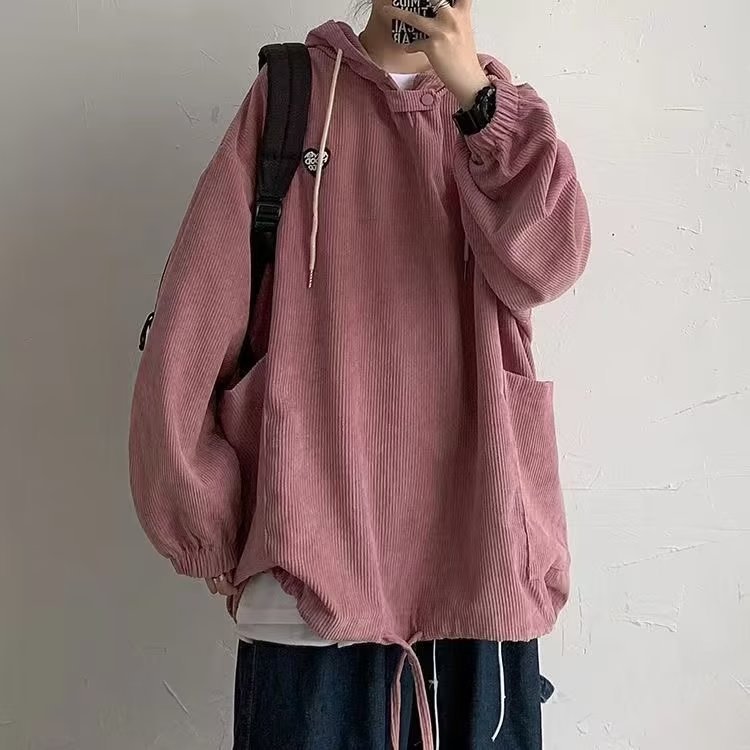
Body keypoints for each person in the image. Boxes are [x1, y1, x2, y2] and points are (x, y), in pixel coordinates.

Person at [129, 0, 591, 747]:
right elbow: (187, 338)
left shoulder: (503, 121)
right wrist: (215, 526)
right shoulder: (290, 99)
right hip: (309, 596)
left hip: (481, 578)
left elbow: (552, 262)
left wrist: (477, 102)